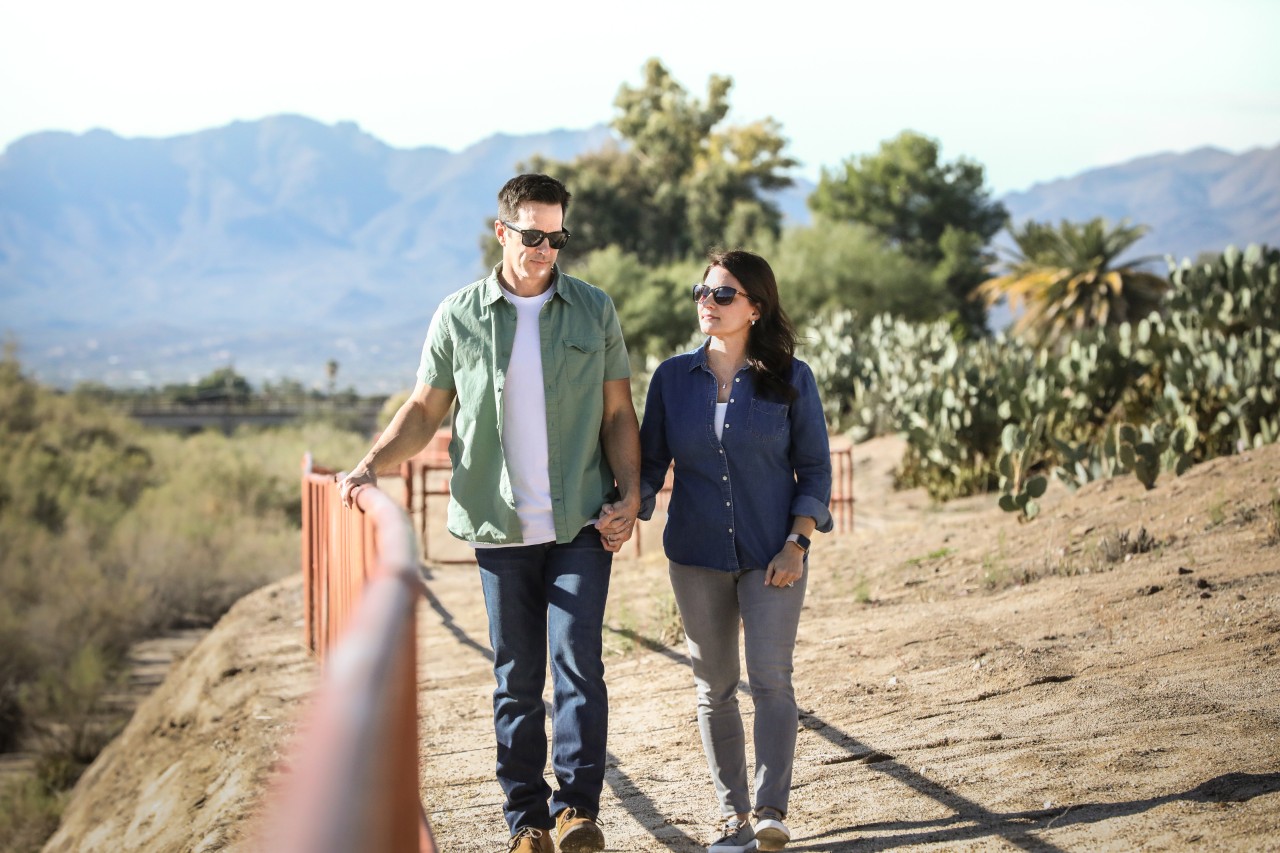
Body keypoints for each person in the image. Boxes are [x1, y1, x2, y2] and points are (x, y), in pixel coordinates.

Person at [338, 173, 641, 853]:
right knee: (515, 675)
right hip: (501, 526)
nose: (545, 249)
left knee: (578, 665)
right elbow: (422, 411)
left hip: (582, 524)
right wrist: (370, 464)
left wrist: (629, 494)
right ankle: (526, 820)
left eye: (556, 237)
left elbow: (620, 412)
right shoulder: (459, 315)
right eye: (532, 235)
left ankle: (577, 812)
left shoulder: (594, 309)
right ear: (501, 232)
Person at [637, 250, 832, 853]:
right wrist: (628, 507)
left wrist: (798, 543)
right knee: (713, 686)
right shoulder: (671, 379)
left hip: (774, 553)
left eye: (723, 295)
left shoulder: (792, 378)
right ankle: (732, 820)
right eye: (703, 291)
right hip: (695, 556)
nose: (708, 303)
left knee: (771, 679)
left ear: (755, 306)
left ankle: (771, 811)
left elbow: (815, 469)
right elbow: (649, 464)